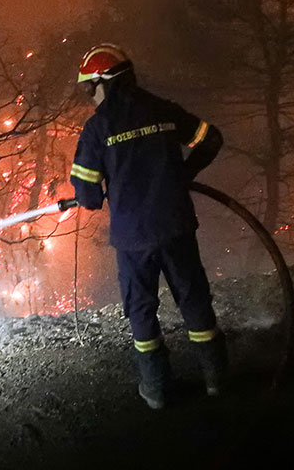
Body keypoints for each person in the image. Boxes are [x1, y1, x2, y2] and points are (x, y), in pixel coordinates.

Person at [69, 43, 227, 410]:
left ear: (103, 82)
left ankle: (156, 391)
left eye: (89, 89)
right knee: (194, 302)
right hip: (176, 226)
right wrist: (184, 173)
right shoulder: (163, 109)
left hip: (133, 238)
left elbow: (88, 197)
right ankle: (217, 380)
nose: (90, 98)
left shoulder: (98, 129)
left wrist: (96, 191)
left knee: (141, 310)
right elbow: (211, 139)